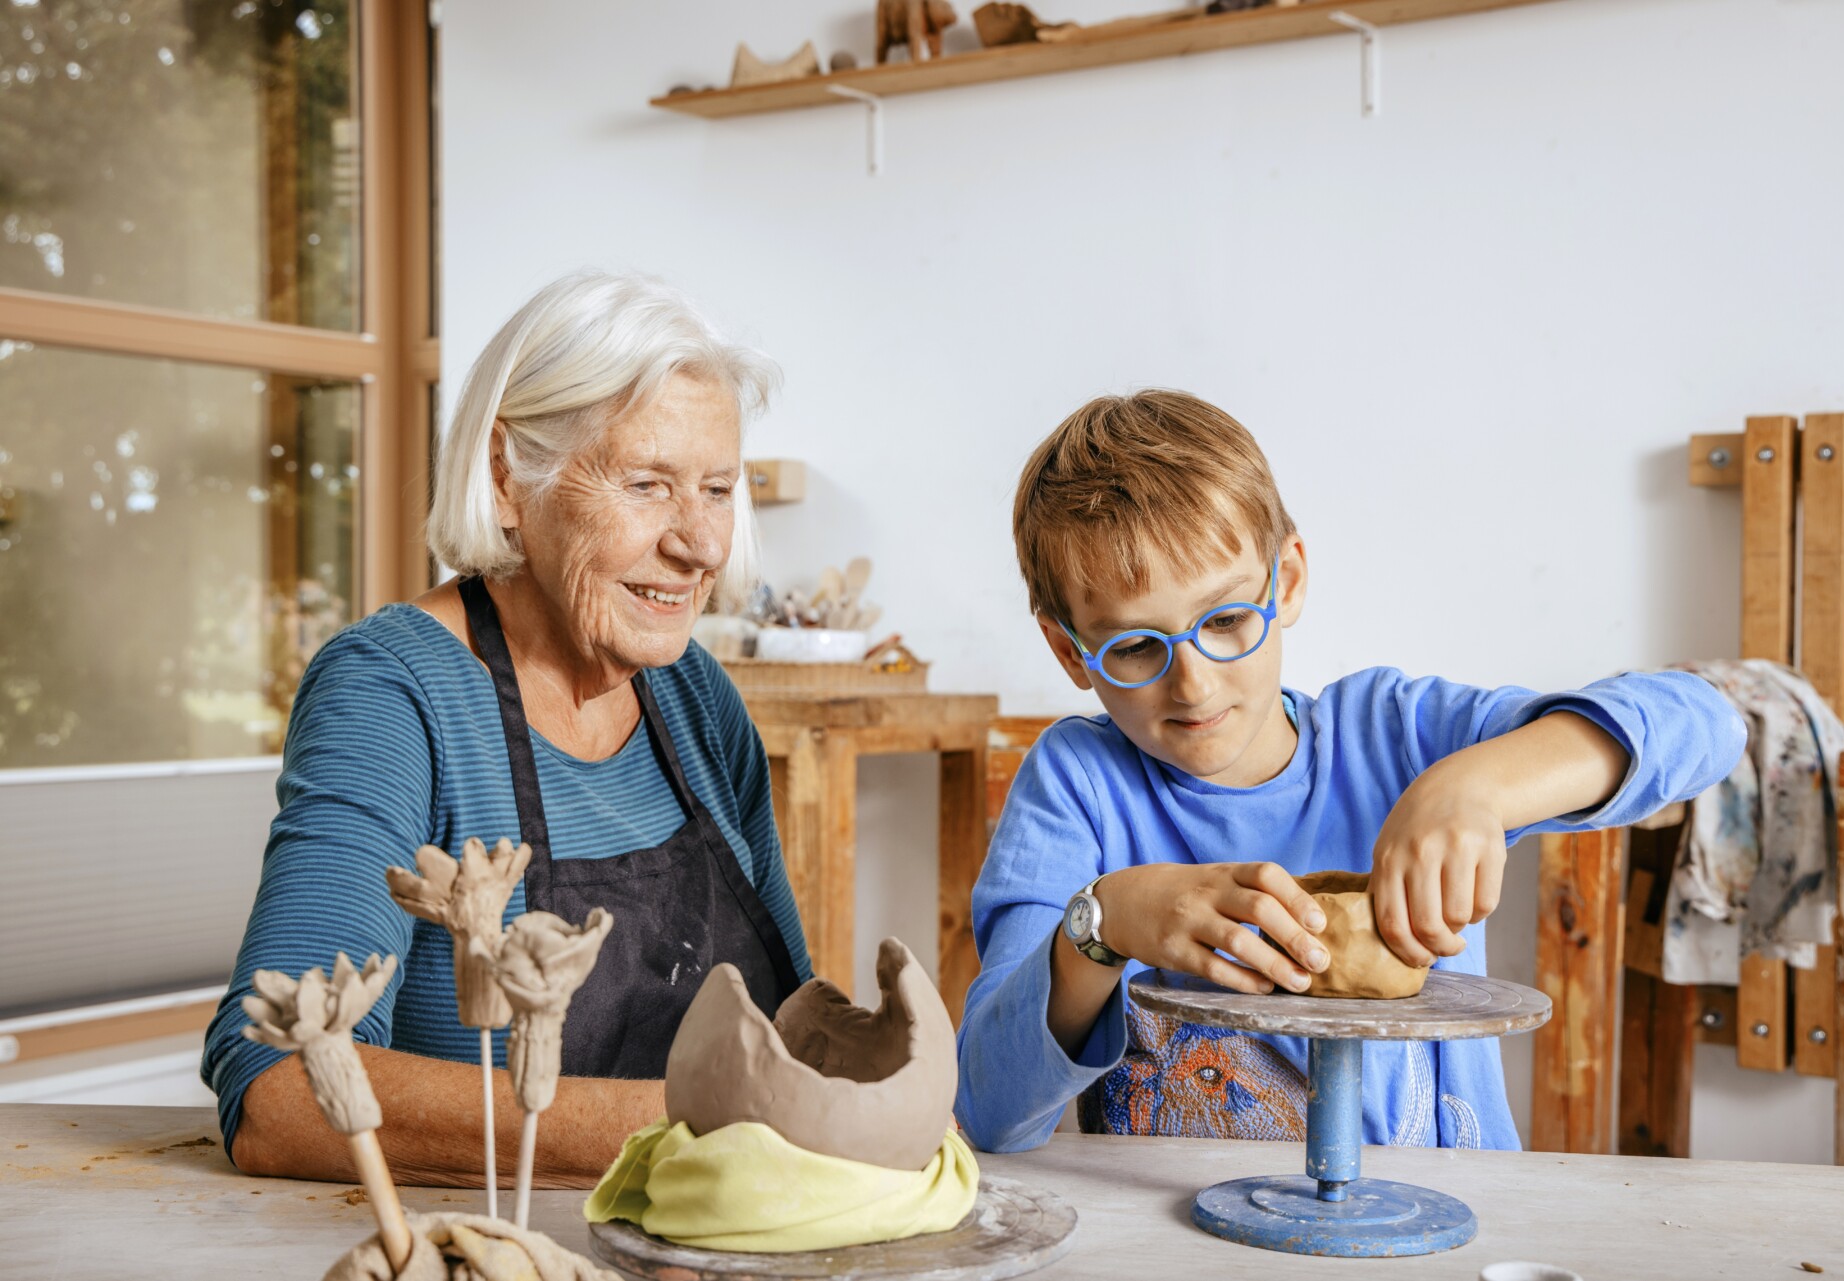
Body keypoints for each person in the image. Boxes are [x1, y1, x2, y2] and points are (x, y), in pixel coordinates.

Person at [956, 390, 1745, 1152]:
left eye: (1227, 619)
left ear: (1287, 580)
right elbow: (991, 1109)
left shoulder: (1398, 737)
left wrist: (1476, 785)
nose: (1193, 684)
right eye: (1133, 647)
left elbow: (1708, 721)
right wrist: (1108, 921)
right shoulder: (1076, 787)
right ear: (1069, 651)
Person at [201, 271, 811, 1186]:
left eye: (717, 489)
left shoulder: (696, 697)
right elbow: (280, 1088)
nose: (701, 544)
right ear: (507, 477)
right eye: (648, 485)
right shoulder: (393, 693)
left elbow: (794, 1033)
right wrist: (687, 1125)